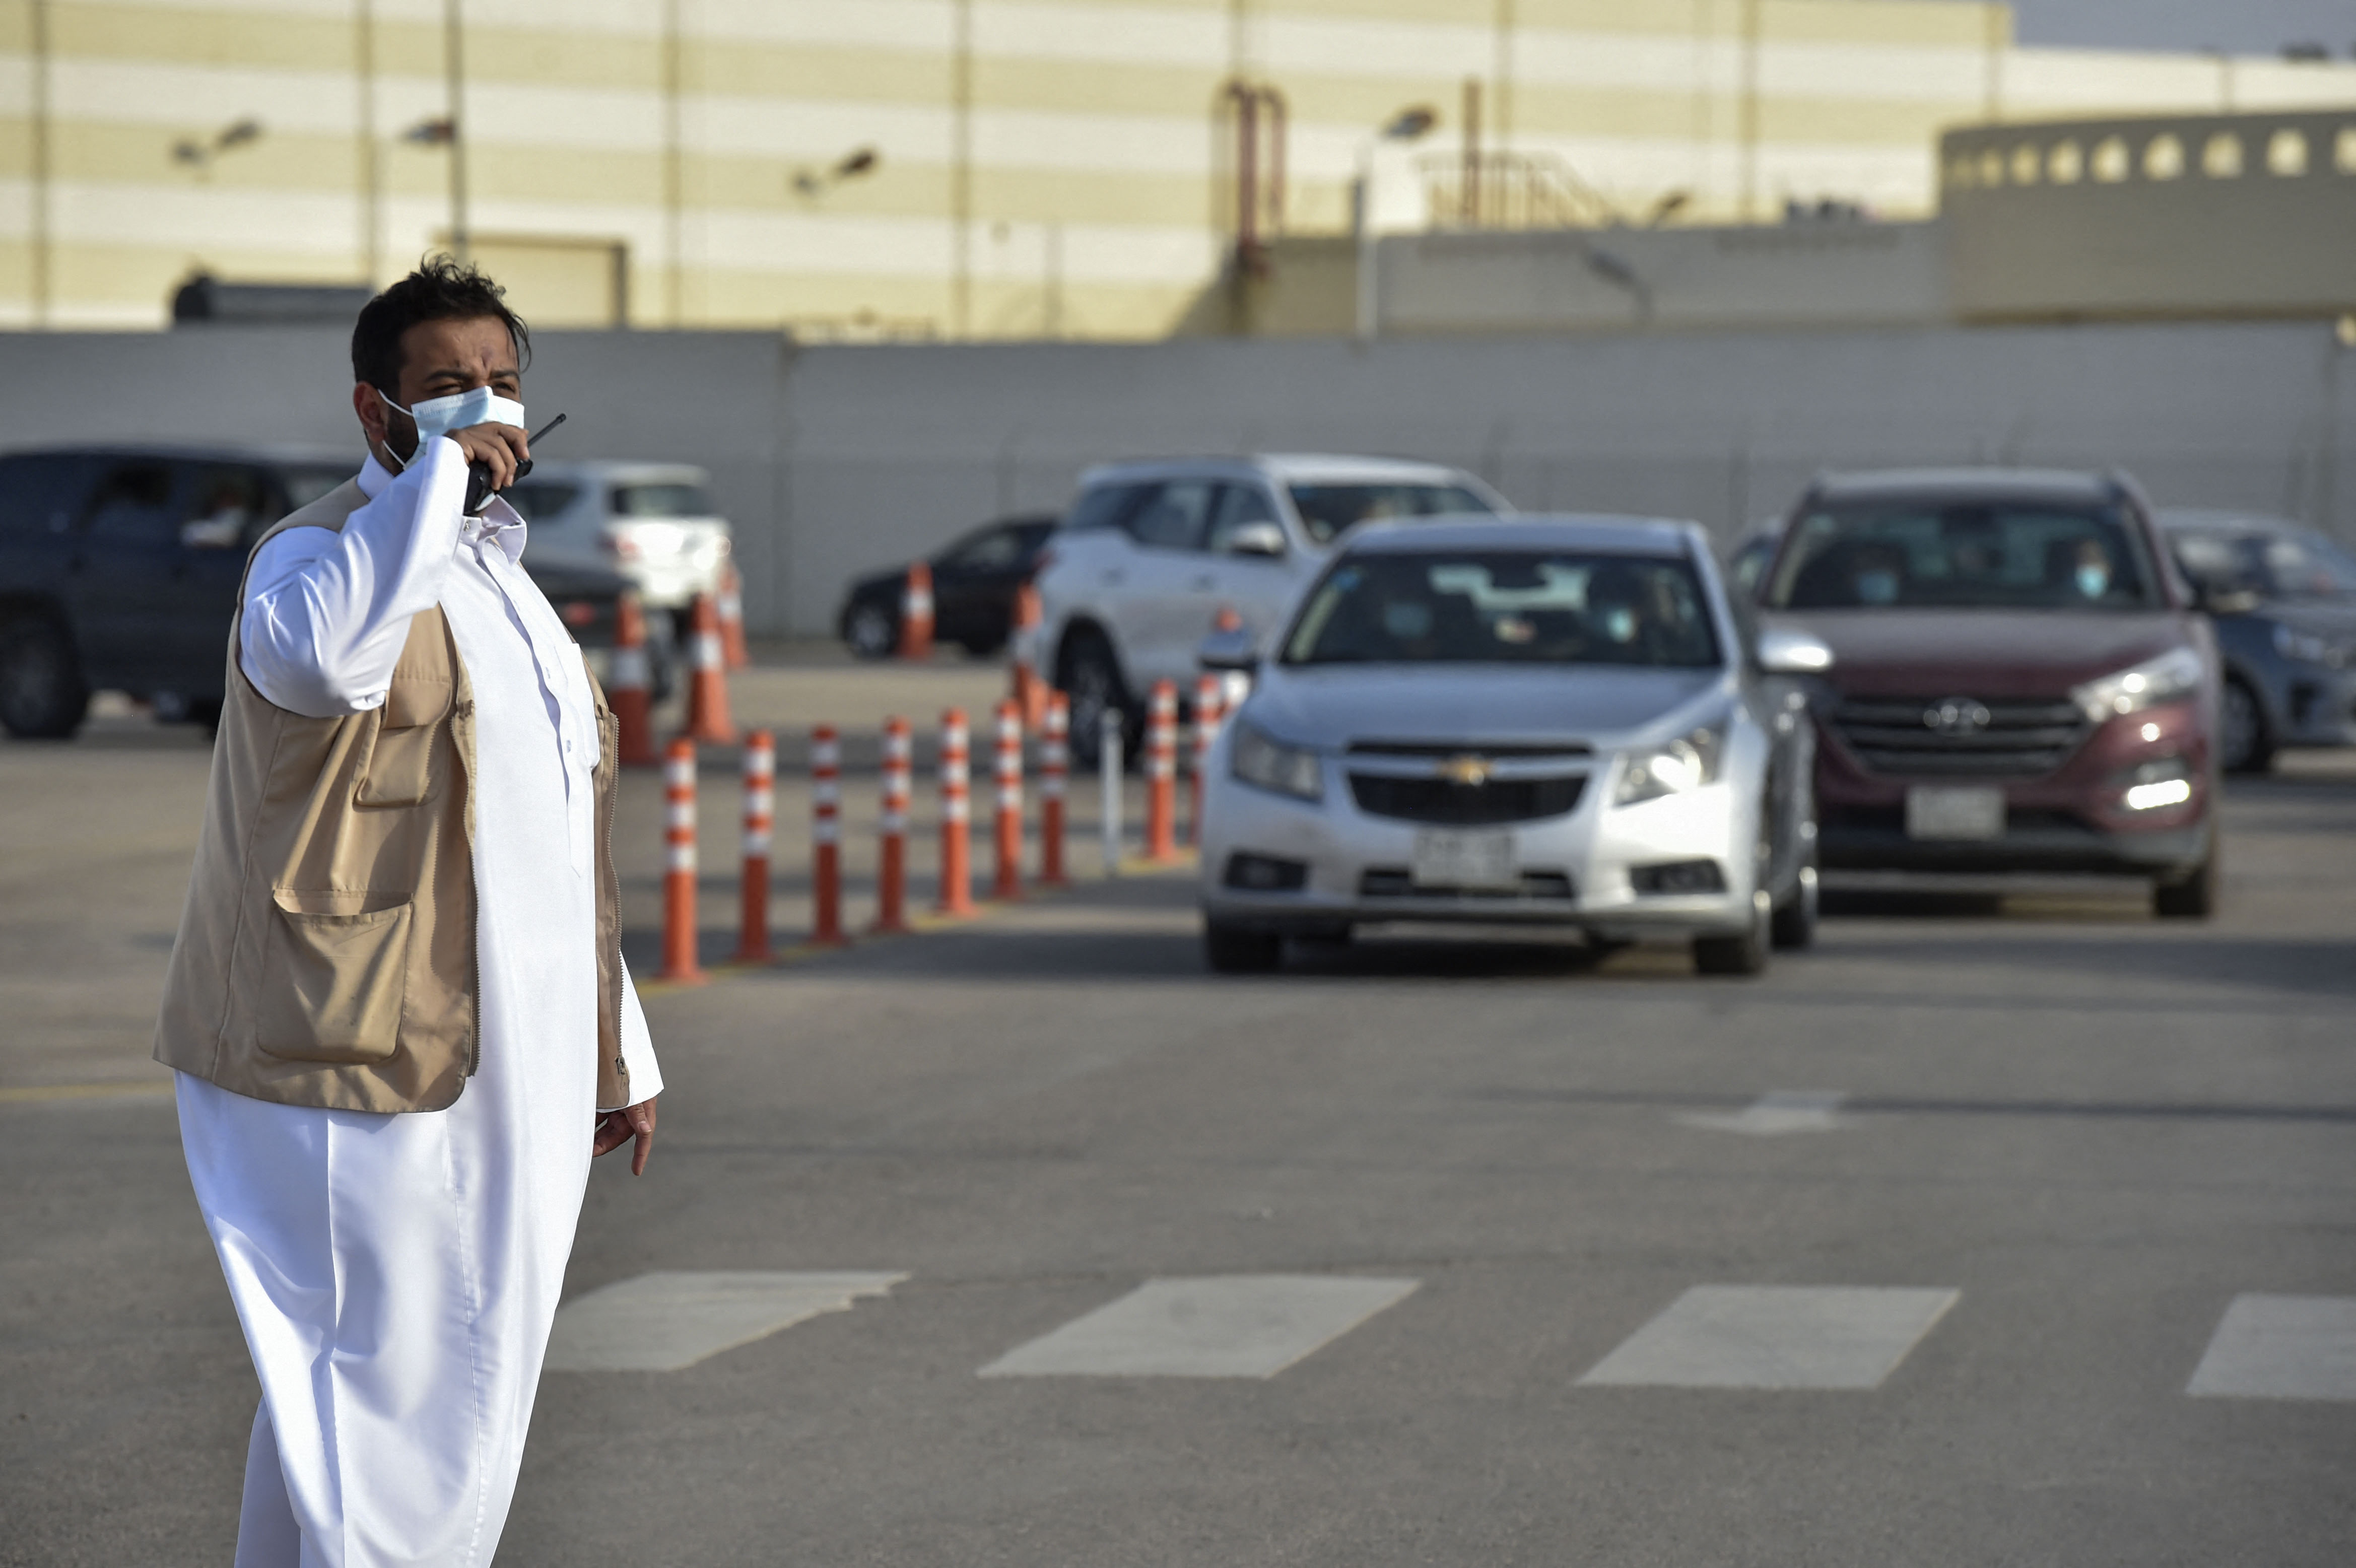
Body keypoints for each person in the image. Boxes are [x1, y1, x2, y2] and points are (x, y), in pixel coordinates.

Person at [153, 258, 664, 1567]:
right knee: (411, 1401)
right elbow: (329, 662)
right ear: (376, 412)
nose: (484, 407)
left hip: (511, 1059)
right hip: (352, 1058)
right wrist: (445, 480)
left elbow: (556, 838)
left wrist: (621, 1051)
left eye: (500, 383)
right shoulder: (318, 558)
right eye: (446, 388)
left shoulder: (511, 591)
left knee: (370, 1397)